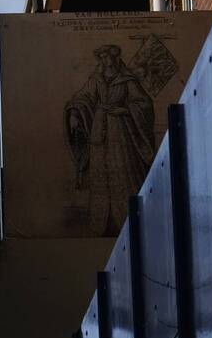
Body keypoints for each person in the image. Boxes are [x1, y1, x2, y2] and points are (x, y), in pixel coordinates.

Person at [64, 44, 155, 236]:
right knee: (100, 174)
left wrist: (126, 110)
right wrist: (74, 113)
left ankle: (129, 220)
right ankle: (102, 224)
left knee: (122, 171)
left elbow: (144, 103)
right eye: (103, 59)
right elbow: (84, 97)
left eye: (109, 58)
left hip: (120, 132)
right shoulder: (96, 79)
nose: (107, 62)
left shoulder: (127, 80)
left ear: (115, 59)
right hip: (98, 132)